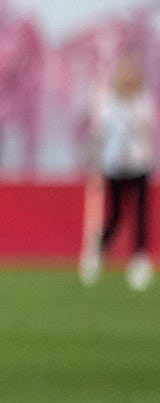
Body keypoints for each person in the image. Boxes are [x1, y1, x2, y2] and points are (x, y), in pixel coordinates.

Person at [82, 54, 154, 290]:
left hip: (139, 164)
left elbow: (145, 129)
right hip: (114, 165)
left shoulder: (143, 102)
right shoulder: (107, 103)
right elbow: (100, 134)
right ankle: (98, 251)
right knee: (116, 216)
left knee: (141, 215)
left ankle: (140, 261)